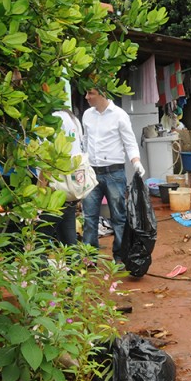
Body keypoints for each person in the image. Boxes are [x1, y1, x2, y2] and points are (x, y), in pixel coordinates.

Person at [81, 88, 146, 262]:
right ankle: (89, 258)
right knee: (89, 218)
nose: (86, 97)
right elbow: (85, 141)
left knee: (119, 217)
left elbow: (130, 142)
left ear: (102, 94)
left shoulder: (119, 115)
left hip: (114, 173)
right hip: (92, 174)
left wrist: (136, 162)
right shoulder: (87, 115)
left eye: (90, 93)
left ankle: (120, 256)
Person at [40, 109, 84, 245]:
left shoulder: (53, 119)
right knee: (68, 238)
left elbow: (49, 159)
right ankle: (74, 265)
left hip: (55, 188)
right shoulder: (72, 119)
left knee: (39, 238)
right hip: (71, 186)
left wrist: (40, 191)